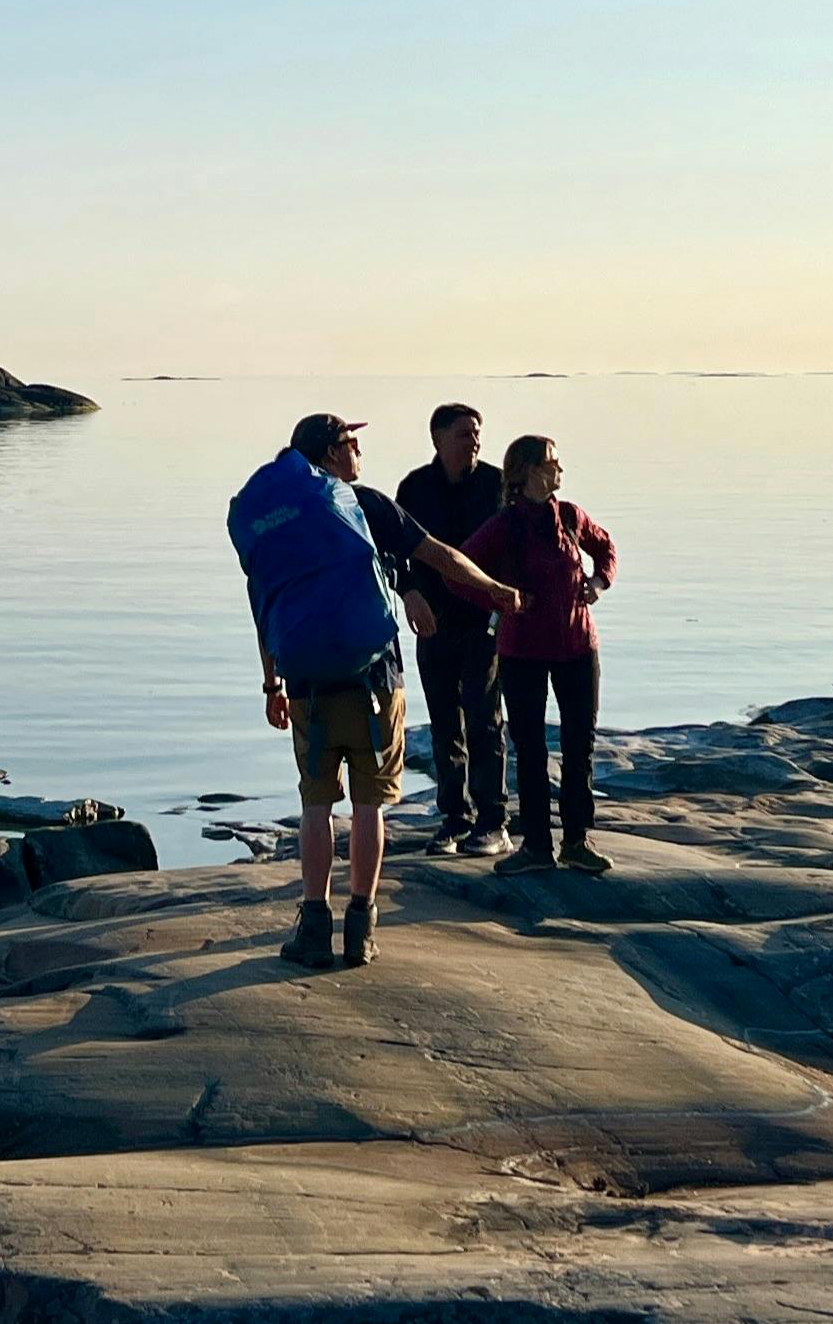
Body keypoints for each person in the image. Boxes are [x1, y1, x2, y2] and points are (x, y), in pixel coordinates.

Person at [227, 411, 520, 969]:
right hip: (375, 679)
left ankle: (313, 924)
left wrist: (272, 684)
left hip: (307, 681)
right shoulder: (365, 504)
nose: (359, 449)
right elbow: (441, 557)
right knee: (369, 807)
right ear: (332, 454)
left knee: (315, 805)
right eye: (350, 441)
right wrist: (494, 590)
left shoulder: (275, 521)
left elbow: (263, 606)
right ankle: (360, 927)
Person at [466, 433, 619, 873]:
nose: (560, 469)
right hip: (522, 653)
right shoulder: (504, 525)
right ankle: (535, 846)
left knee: (579, 746)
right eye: (553, 462)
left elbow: (606, 547)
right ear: (531, 470)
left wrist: (598, 583)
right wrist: (499, 598)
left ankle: (576, 840)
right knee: (530, 749)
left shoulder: (570, 516)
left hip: (577, 648)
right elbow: (460, 571)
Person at [392, 403, 509, 856]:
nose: (474, 440)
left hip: (483, 622)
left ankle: (493, 821)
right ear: (438, 439)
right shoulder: (415, 487)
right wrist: (408, 593)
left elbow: (511, 549)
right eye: (464, 434)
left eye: (477, 433)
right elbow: (394, 550)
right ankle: (454, 819)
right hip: (433, 621)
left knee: (484, 719)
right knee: (444, 723)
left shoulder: (496, 485)